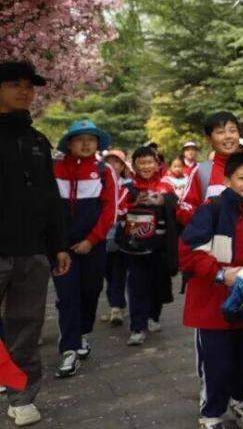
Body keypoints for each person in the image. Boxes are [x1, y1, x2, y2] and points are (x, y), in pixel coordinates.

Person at [179, 152, 243, 429]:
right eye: (242, 177)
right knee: (216, 362)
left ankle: (240, 401)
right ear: (227, 180)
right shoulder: (211, 209)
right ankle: (211, 414)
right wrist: (221, 274)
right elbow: (188, 254)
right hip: (212, 303)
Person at [0, 61, 70, 427]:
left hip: (32, 252)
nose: (24, 91)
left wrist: (58, 245)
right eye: (15, 84)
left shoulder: (37, 141)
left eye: (29, 86)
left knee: (26, 326)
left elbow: (50, 198)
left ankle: (21, 397)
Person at [51, 119, 116, 379]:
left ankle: (81, 332)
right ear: (69, 144)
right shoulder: (53, 169)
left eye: (91, 139)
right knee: (67, 295)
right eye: (80, 139)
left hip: (94, 246)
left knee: (91, 291)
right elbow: (47, 209)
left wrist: (92, 240)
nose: (86, 144)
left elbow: (110, 210)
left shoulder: (104, 171)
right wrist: (56, 245)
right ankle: (69, 347)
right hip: (61, 248)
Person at [119, 146, 178, 345]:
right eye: (141, 163)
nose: (146, 166)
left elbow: (177, 208)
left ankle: (153, 315)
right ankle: (137, 327)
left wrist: (164, 201)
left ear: (157, 164)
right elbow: (117, 209)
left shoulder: (166, 185)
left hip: (160, 247)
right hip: (135, 247)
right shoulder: (128, 187)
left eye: (150, 162)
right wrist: (134, 203)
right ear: (134, 166)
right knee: (137, 285)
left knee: (158, 283)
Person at [181, 112, 243, 225]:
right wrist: (207, 216)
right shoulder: (202, 171)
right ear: (209, 139)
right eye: (220, 132)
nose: (228, 136)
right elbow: (184, 208)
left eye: (232, 131)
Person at [100, 149, 132, 328]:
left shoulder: (128, 187)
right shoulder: (98, 184)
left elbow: (124, 208)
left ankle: (116, 307)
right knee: (107, 272)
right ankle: (116, 303)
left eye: (117, 162)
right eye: (109, 162)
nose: (112, 165)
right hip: (101, 236)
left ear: (122, 166)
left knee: (118, 271)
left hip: (120, 235)